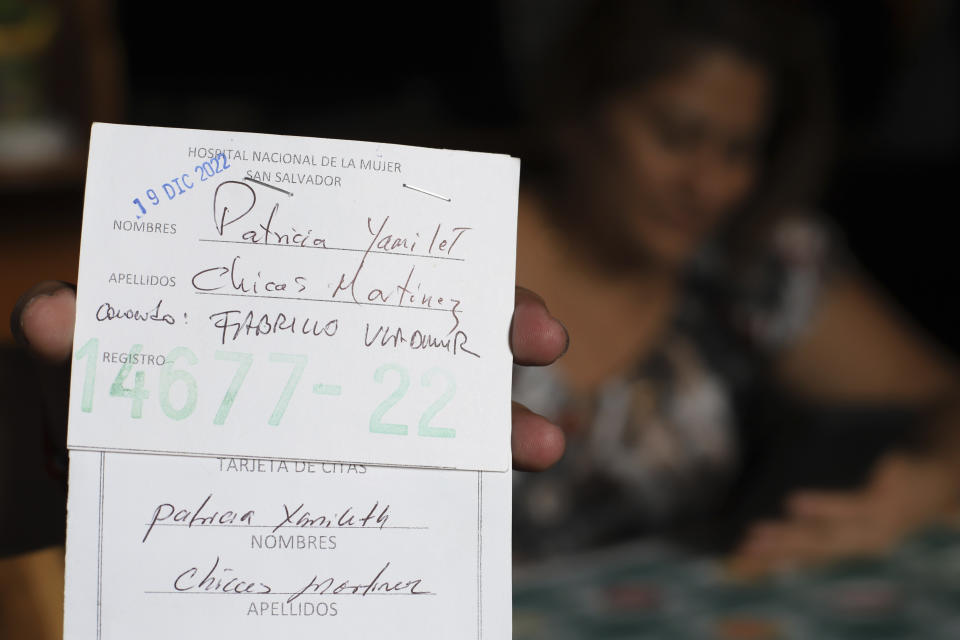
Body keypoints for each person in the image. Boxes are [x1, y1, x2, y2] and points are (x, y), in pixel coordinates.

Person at [509, 0, 960, 573]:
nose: (707, 184)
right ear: (579, 113)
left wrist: (930, 482)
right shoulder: (452, 241)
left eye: (738, 151)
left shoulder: (752, 264)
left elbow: (945, 394)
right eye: (675, 136)